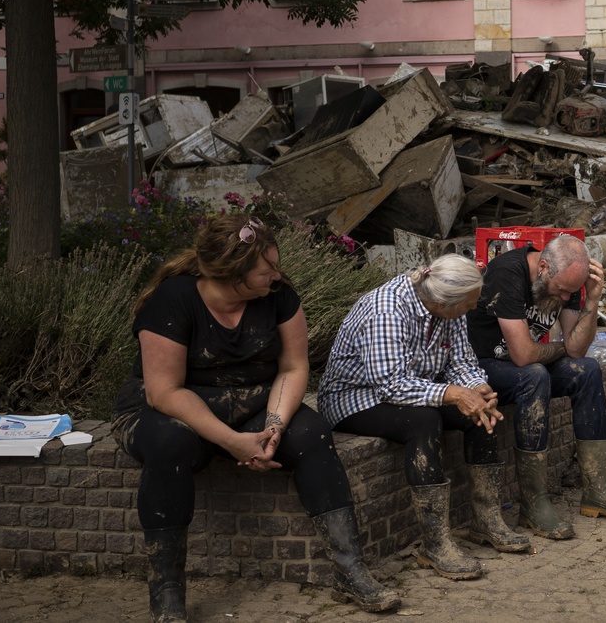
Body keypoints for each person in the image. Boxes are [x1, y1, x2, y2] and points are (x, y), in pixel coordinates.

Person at [111, 214, 399, 622]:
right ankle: (168, 593)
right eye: (267, 270)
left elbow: (293, 368)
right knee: (171, 444)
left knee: (313, 433)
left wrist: (274, 428)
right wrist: (232, 441)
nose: (277, 276)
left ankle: (350, 568)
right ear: (233, 274)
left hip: (252, 404)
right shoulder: (173, 299)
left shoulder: (278, 295)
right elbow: (165, 392)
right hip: (168, 411)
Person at [318, 255, 526, 581]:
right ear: (443, 304)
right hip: (356, 398)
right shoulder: (386, 310)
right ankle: (435, 543)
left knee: (480, 413)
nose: (473, 308)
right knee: (424, 421)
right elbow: (391, 385)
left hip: (412, 389)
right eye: (469, 303)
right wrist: (454, 394)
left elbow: (461, 362)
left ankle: (486, 520)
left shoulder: (448, 307)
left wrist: (477, 388)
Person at [465, 234, 606, 539]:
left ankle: (598, 491)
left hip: (526, 363)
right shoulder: (507, 273)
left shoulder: (569, 281)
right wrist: (561, 348)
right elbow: (525, 355)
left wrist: (591, 299)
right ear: (544, 267)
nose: (564, 297)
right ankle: (534, 504)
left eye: (570, 293)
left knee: (587, 370)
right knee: (535, 375)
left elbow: (578, 349)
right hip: (480, 367)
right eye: (561, 290)